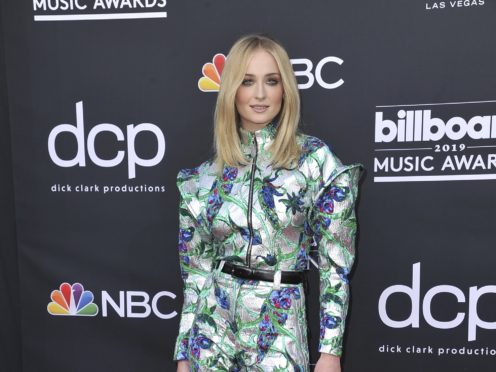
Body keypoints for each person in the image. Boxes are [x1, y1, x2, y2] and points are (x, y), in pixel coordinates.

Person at [173, 34, 363, 372]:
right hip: (211, 328)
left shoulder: (316, 163)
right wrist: (185, 354)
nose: (260, 94)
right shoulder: (201, 180)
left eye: (271, 81)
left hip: (280, 324)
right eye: (247, 82)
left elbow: (336, 267)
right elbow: (195, 274)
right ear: (231, 90)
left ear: (285, 89)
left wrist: (330, 353)